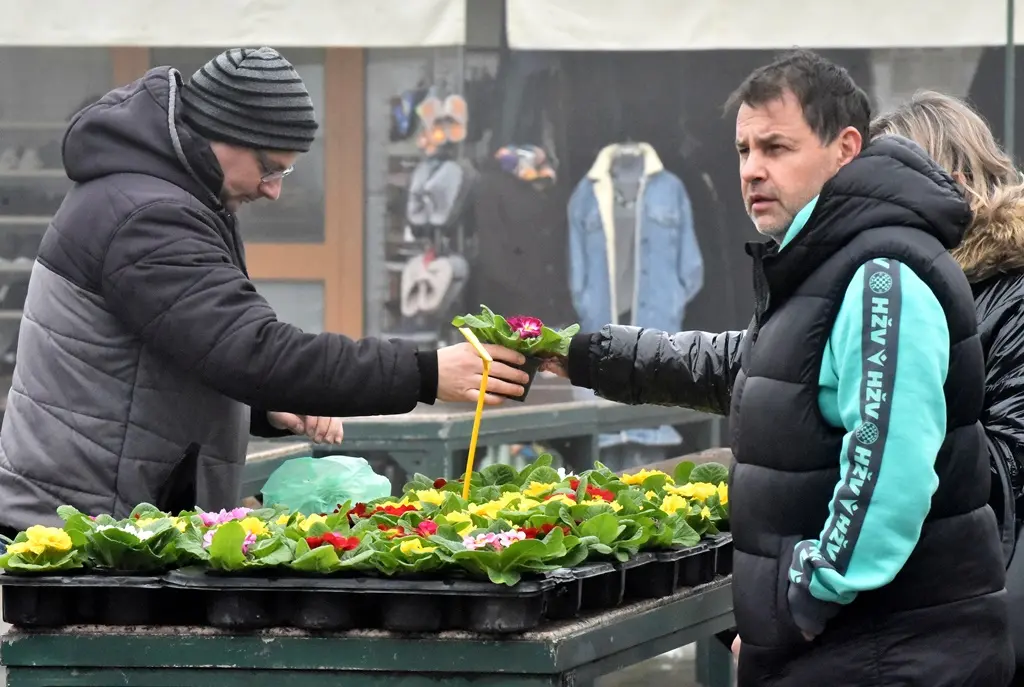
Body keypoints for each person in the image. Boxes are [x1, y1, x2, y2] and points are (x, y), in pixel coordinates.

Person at [542, 50, 1011, 685]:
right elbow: (733, 365)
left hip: (883, 654)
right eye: (743, 151)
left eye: (777, 148)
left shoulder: (881, 278)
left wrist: (802, 598)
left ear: (846, 149)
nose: (753, 171)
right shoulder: (823, 268)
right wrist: (577, 353)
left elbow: (889, 475)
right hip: (848, 648)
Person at [0, 47, 527, 537]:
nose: (275, 189)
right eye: (270, 167)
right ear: (220, 135)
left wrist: (262, 408)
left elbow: (181, 352)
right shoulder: (148, 216)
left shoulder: (164, 196)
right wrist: (425, 373)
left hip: (104, 513)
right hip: (75, 526)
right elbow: (251, 351)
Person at [871, 90, 1024, 684]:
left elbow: (1008, 467)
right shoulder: (914, 288)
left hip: (987, 613)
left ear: (954, 181)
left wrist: (892, 415)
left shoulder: (1009, 291)